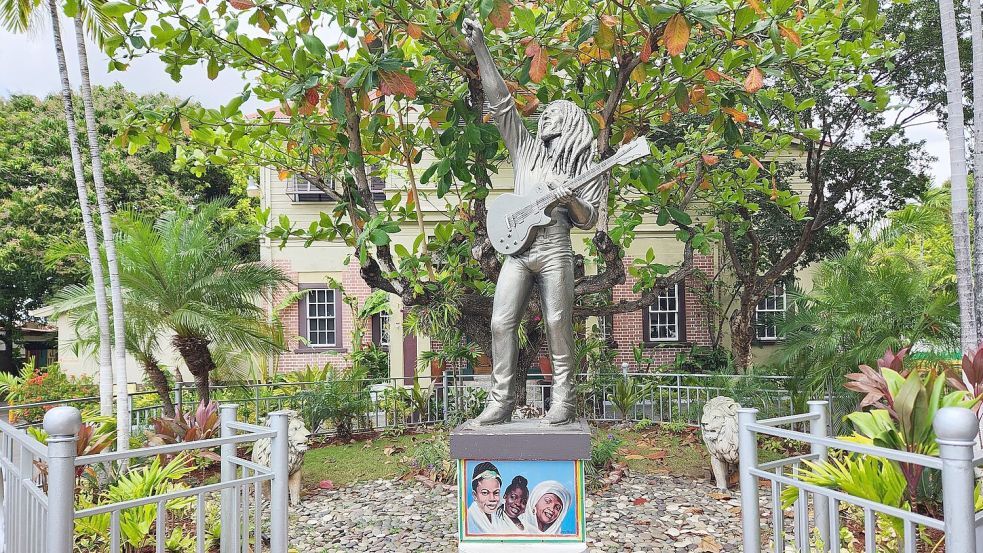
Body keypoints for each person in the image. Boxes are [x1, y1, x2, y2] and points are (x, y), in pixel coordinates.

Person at [462, 17, 606, 426]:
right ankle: (501, 401)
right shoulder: (526, 152)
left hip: (555, 250)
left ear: (573, 124)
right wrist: (480, 49)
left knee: (559, 322)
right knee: (500, 321)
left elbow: (589, 219)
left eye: (555, 114)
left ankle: (563, 399)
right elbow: (502, 101)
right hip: (518, 251)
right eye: (544, 114)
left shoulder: (588, 169)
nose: (545, 118)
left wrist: (572, 198)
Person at [466, 462, 502, 534]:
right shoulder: (470, 518)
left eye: (496, 493)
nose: (492, 498)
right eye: (485, 493)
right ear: (475, 495)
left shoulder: (501, 510)